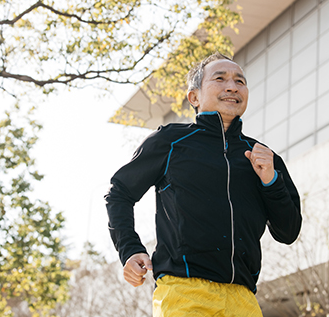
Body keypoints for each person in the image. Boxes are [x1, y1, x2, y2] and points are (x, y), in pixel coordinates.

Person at [105, 52, 302, 316]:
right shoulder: (171, 141)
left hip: (243, 298)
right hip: (183, 291)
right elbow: (119, 193)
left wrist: (271, 181)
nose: (232, 86)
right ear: (194, 97)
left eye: (240, 81)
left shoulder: (264, 157)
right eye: (219, 78)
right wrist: (130, 249)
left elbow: (288, 231)